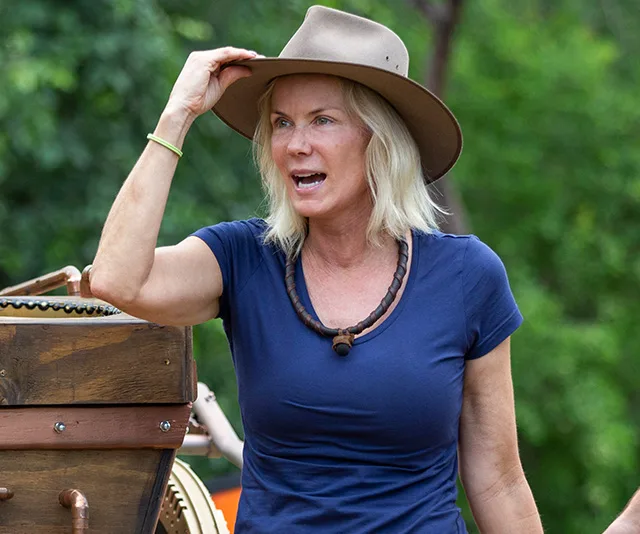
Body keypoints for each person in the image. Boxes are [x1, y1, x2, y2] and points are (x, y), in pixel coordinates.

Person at [90, 5, 544, 533]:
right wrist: (177, 115)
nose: (295, 145)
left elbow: (498, 482)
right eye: (281, 123)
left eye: (322, 120)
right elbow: (116, 279)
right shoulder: (243, 257)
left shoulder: (467, 275)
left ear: (380, 139)